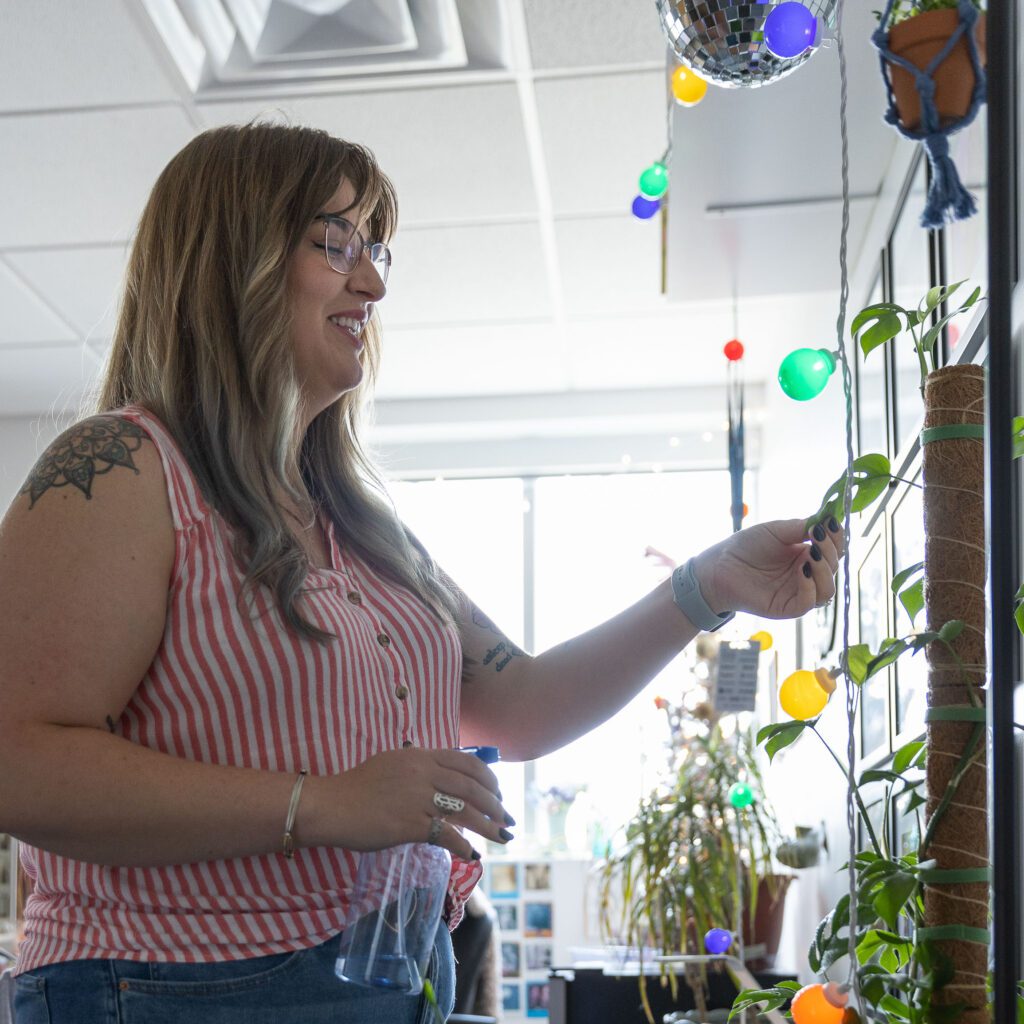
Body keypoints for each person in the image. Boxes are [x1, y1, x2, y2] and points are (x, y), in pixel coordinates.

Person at [0, 122, 843, 1024]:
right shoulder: (120, 468)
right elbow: (19, 760)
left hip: (396, 981)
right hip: (179, 991)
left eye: (376, 252)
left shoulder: (360, 527)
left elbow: (522, 705)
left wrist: (708, 586)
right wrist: (321, 806)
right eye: (336, 242)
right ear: (230, 258)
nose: (370, 282)